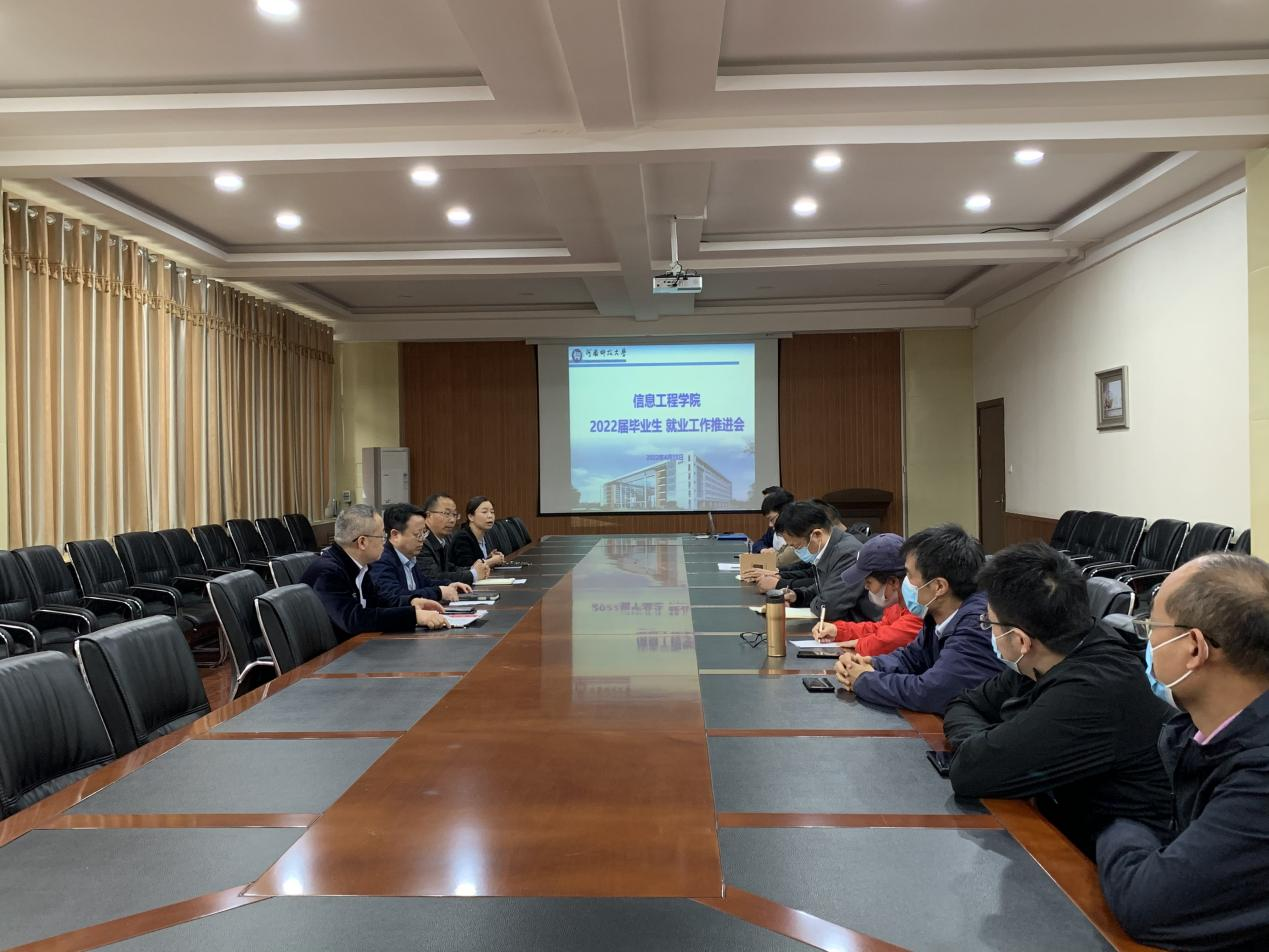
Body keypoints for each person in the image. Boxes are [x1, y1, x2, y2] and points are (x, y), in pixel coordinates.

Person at [942, 542, 1173, 856]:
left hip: (1108, 861)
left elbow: (970, 772)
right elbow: (965, 703)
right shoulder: (1049, 652)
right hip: (1060, 828)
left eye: (989, 624)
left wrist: (983, 745)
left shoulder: (1094, 690)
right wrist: (984, 742)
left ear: (1020, 640)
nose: (989, 632)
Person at [1096, 552, 1269, 950]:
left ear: (1194, 648)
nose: (1148, 643)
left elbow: (1150, 906)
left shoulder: (1260, 777)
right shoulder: (1201, 731)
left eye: (1152, 628)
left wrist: (1117, 823)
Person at [836, 523, 1001, 713]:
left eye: (909, 574)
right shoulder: (936, 614)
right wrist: (867, 664)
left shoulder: (977, 625)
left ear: (939, 587)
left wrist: (864, 680)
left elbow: (931, 692)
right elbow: (911, 659)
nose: (903, 582)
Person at [301, 504, 447, 640]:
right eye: (382, 537)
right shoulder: (328, 573)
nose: (385, 542)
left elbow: (378, 602)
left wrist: (411, 602)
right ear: (362, 542)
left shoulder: (360, 566)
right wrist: (413, 616)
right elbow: (354, 619)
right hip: (335, 655)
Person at [810, 533, 923, 655]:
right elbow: (881, 628)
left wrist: (859, 645)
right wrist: (838, 630)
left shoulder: (918, 608)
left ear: (893, 582)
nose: (865, 586)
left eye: (869, 582)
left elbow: (887, 641)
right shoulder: (896, 605)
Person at [772, 501, 868, 621]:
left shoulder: (847, 554)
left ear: (816, 535)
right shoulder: (827, 548)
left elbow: (828, 608)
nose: (796, 551)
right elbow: (823, 588)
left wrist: (819, 601)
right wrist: (798, 596)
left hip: (861, 626)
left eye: (797, 546)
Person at [371, 503, 473, 607]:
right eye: (417, 534)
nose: (423, 540)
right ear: (395, 535)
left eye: (424, 533)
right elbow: (393, 597)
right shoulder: (381, 560)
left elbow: (424, 583)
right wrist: (438, 592)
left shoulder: (409, 557)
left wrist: (448, 585)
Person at [418, 493, 491, 584]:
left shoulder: (442, 540)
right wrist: (473, 574)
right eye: (446, 514)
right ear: (428, 515)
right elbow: (433, 577)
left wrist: (473, 569)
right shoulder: (421, 540)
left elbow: (449, 568)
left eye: (454, 514)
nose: (452, 520)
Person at [449, 496, 507, 569]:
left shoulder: (484, 535)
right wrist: (492, 561)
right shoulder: (462, 538)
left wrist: (489, 557)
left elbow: (476, 560)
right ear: (471, 517)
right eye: (484, 512)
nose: (490, 516)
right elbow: (468, 569)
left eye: (492, 512)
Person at [748, 488, 794, 555]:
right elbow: (758, 543)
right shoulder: (773, 530)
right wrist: (764, 550)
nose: (770, 525)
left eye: (772, 519)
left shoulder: (799, 531)